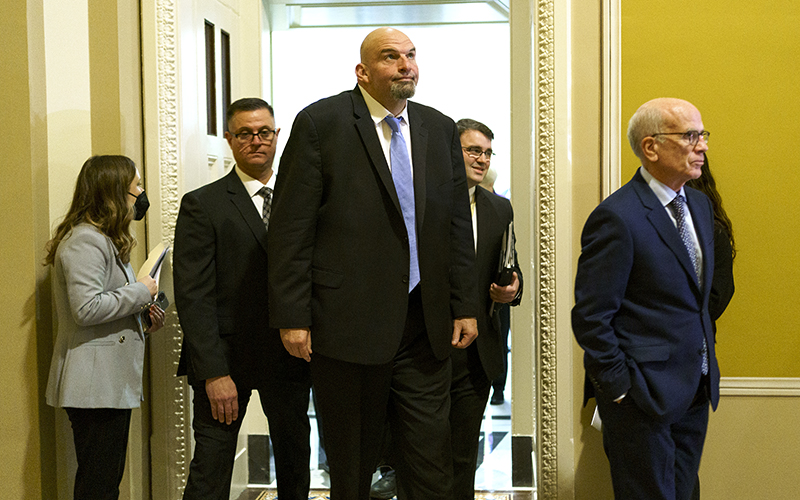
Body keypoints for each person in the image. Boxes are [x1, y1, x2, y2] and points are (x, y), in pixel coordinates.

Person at [268, 27, 479, 500]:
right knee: (352, 471)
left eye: (411, 56)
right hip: (346, 327)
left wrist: (465, 304)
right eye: (391, 57)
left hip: (425, 329)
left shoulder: (439, 127)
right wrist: (292, 316)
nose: (406, 65)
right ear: (362, 71)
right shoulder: (321, 123)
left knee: (430, 470)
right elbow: (290, 230)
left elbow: (454, 229)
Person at [572, 97, 719, 500]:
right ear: (651, 147)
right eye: (690, 136)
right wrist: (620, 389)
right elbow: (591, 316)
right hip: (641, 397)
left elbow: (696, 297)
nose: (702, 145)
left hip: (695, 387)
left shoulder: (700, 206)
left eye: (702, 135)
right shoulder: (617, 216)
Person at [174, 98, 311, 500]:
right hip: (226, 360)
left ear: (277, 136)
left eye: (264, 132)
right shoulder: (203, 203)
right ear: (230, 140)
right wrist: (214, 372)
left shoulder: (300, 198)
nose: (257, 141)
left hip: (289, 356)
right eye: (246, 134)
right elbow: (193, 295)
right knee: (211, 467)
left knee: (294, 459)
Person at [45, 155, 165, 500]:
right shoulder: (86, 241)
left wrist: (143, 315)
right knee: (98, 485)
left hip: (107, 385)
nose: (141, 194)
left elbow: (109, 304)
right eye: (136, 186)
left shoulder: (105, 239)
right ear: (115, 193)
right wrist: (142, 290)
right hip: (93, 386)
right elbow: (86, 308)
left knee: (105, 481)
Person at [450, 118, 523, 499]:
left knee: (464, 454)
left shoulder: (499, 208)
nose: (482, 159)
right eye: (473, 150)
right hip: (427, 349)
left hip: (479, 354)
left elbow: (511, 266)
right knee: (420, 455)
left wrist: (512, 289)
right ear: (452, 151)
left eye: (488, 152)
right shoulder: (425, 202)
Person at [686, 154, 736, 500]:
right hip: (676, 365)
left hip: (692, 362)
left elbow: (717, 296)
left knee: (682, 471)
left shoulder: (711, 230)